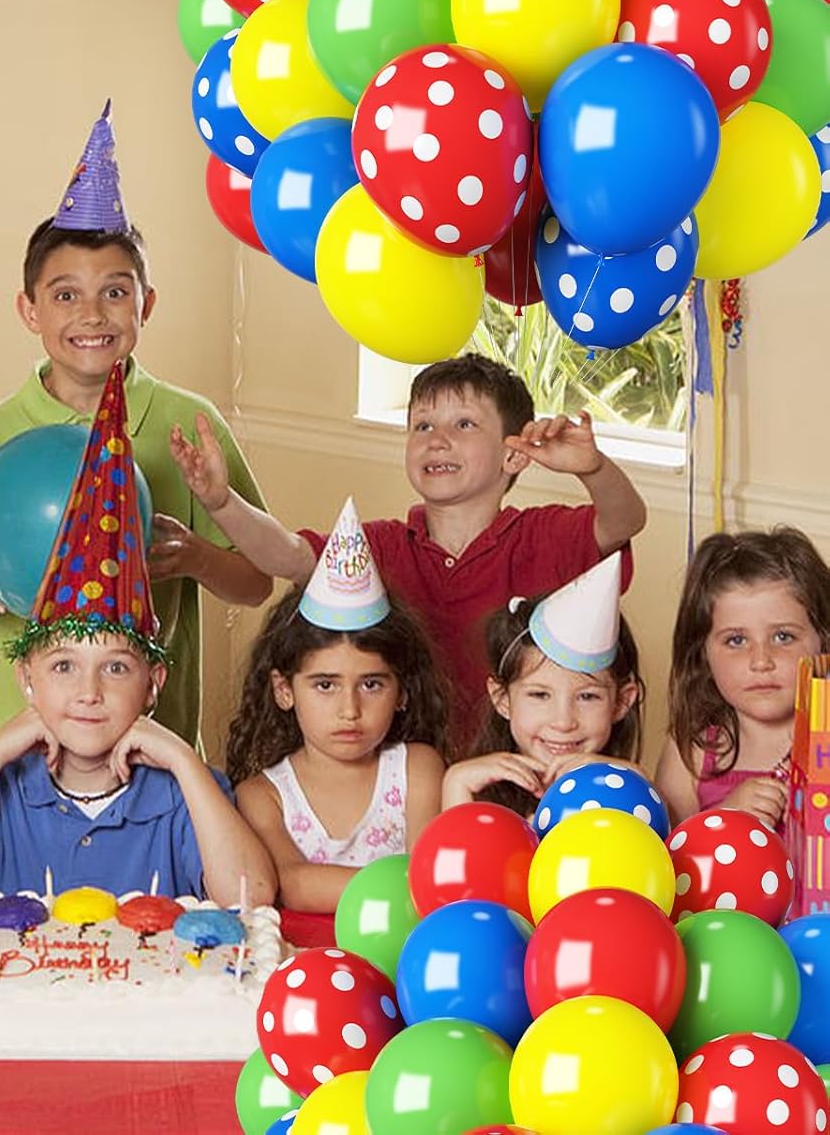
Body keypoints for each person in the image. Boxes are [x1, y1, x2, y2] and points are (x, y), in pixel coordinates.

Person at [0, 103, 272, 795]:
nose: (92, 314)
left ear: (145, 304)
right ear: (30, 310)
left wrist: (194, 557)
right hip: (6, 756)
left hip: (145, 753)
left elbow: (255, 583)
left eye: (115, 292)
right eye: (65, 295)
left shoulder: (187, 426)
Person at [0, 361, 274, 904]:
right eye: (63, 666)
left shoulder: (185, 794)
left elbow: (251, 897)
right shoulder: (2, 792)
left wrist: (184, 761)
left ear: (154, 681)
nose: (89, 692)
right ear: (26, 679)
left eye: (116, 667)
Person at [169, 354, 647, 739]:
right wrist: (221, 502)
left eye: (464, 425)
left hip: (520, 770)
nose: (437, 440)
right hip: (403, 774)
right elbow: (290, 556)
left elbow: (625, 520)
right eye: (422, 426)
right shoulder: (381, 545)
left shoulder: (546, 536)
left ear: (513, 455)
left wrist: (593, 468)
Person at [225, 500, 447, 912]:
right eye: (326, 685)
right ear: (284, 690)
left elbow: (430, 882)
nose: (350, 709)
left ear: (402, 692)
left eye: (372, 684)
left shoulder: (417, 769)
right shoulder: (263, 795)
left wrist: (414, 883)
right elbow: (293, 885)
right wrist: (406, 883)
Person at [441, 553, 645, 816]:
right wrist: (457, 784)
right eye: (539, 694)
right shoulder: (476, 791)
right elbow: (455, 843)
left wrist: (631, 782)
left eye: (587, 697)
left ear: (621, 702)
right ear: (502, 698)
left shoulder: (627, 793)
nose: (563, 722)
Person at [655, 527, 830, 832]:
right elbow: (668, 851)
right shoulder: (692, 751)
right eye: (736, 640)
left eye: (783, 636)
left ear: (823, 641)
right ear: (702, 653)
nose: (761, 661)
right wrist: (724, 819)